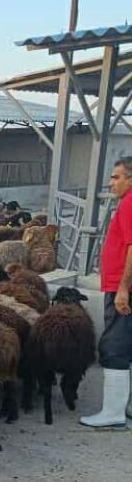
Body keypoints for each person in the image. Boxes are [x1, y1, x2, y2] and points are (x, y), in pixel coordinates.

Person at [81, 156, 132, 428]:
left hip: (123, 287)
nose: (111, 182)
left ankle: (113, 415)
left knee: (114, 347)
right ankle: (124, 406)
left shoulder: (129, 204)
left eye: (116, 177)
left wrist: (123, 287)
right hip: (122, 285)